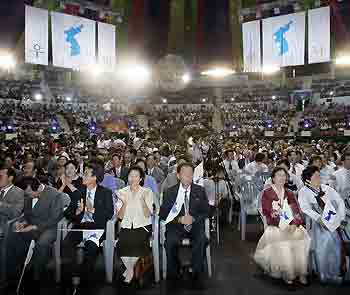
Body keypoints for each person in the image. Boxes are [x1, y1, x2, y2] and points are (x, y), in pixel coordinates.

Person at [254, 167, 310, 286]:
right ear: (273, 178)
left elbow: (296, 210)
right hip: (275, 226)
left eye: (284, 175)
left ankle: (301, 272)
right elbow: (267, 212)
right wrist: (281, 225)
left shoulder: (289, 192)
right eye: (279, 175)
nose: (282, 178)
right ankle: (287, 274)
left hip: (291, 225)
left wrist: (294, 224)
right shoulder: (267, 192)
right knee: (283, 241)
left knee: (301, 236)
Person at [5, 177, 65, 288]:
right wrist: (23, 222)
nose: (27, 196)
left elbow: (55, 218)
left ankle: (37, 277)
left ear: (38, 188)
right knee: (12, 236)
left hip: (50, 227)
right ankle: (13, 272)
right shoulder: (27, 194)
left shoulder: (55, 195)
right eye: (26, 194)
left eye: (29, 193)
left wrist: (34, 226)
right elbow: (27, 214)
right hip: (31, 226)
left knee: (41, 244)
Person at [62, 162, 114, 288]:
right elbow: (68, 213)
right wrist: (77, 212)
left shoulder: (105, 192)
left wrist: (93, 211)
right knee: (66, 244)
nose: (82, 176)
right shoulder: (79, 192)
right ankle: (75, 273)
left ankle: (83, 279)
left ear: (94, 177)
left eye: (86, 174)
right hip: (81, 226)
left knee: (91, 248)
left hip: (97, 227)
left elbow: (109, 213)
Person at [159, 162, 210, 289]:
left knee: (202, 240)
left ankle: (196, 272)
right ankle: (175, 272)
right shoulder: (170, 192)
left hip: (195, 225)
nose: (187, 176)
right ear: (178, 175)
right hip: (176, 226)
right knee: (170, 242)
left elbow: (206, 211)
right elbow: (163, 213)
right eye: (184, 174)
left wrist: (193, 218)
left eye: (190, 174)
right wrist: (179, 219)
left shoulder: (200, 190)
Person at [298, 165, 345, 284]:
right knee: (326, 239)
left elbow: (339, 202)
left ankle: (334, 271)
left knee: (336, 240)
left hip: (332, 221)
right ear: (308, 179)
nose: (320, 178)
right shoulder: (303, 192)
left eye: (319, 175)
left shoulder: (326, 188)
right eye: (316, 176)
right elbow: (305, 209)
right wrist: (319, 219)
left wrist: (341, 218)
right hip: (315, 222)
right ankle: (324, 273)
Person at [116, 166, 154, 284]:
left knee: (137, 242)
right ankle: (130, 269)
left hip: (142, 225)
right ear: (127, 177)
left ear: (141, 178)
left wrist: (143, 201)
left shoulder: (147, 191)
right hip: (127, 225)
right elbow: (120, 217)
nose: (133, 178)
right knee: (121, 244)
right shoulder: (122, 192)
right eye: (130, 176)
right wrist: (124, 203)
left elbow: (148, 215)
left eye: (136, 176)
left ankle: (129, 271)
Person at [0, 162, 25, 234]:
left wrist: (1, 204)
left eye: (0, 176)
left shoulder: (19, 192)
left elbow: (16, 213)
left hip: (4, 224)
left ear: (10, 178)